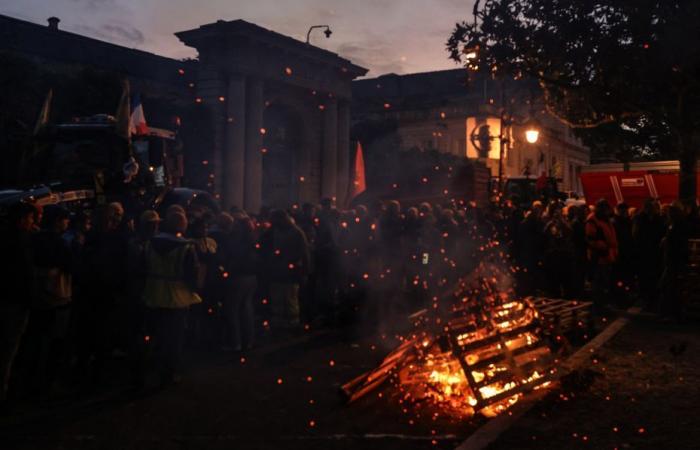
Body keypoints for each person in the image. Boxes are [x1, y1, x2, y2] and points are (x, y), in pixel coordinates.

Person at [142, 211, 201, 386]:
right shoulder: (187, 247)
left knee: (156, 335)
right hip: (178, 297)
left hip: (153, 294)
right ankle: (171, 372)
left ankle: (153, 368)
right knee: (174, 338)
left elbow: (143, 266)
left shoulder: (150, 243)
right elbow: (192, 275)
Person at [0, 203, 35, 404]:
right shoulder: (20, 241)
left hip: (10, 298)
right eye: (30, 218)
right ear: (22, 219)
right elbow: (24, 273)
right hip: (15, 301)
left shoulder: (9, 237)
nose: (33, 222)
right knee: (8, 350)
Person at [261, 209, 310, 330]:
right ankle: (279, 322)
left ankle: (292, 323)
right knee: (277, 297)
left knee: (290, 297)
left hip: (291, 271)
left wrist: (305, 271)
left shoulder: (297, 232)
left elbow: (304, 253)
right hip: (277, 270)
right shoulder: (275, 231)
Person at [225, 216, 260, 351]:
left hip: (238, 276)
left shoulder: (237, 240)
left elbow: (233, 256)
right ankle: (248, 341)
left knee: (233, 310)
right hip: (251, 277)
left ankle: (235, 343)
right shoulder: (253, 238)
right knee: (247, 309)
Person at [585, 199, 618, 307]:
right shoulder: (593, 220)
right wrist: (604, 247)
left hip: (607, 255)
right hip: (599, 256)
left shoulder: (604, 219)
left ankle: (603, 303)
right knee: (599, 282)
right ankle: (599, 305)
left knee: (605, 282)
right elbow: (591, 239)